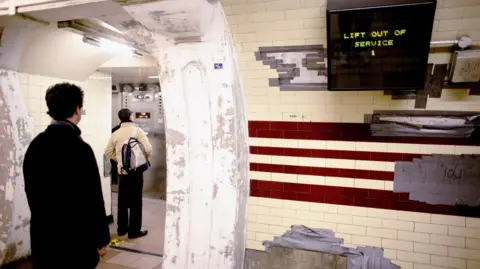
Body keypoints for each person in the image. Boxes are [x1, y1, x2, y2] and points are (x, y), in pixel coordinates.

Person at [23, 83, 111, 269]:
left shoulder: (36, 145)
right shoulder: (80, 149)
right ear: (77, 109)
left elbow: (31, 190)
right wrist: (101, 237)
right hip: (75, 241)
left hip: (44, 238)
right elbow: (93, 197)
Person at [104, 109, 152, 239]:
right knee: (136, 202)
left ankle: (121, 229)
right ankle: (134, 231)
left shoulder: (116, 133)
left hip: (122, 172)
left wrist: (119, 160)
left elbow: (108, 151)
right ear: (131, 117)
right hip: (136, 173)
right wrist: (143, 161)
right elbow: (148, 148)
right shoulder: (137, 131)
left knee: (122, 201)